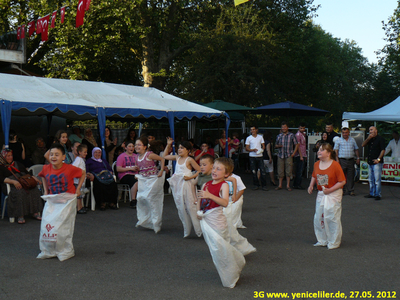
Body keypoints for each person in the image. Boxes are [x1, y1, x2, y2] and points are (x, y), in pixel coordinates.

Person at [196, 157, 245, 288]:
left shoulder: (223, 185)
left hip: (217, 222)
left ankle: (231, 271)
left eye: (219, 169)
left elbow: (224, 202)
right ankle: (227, 271)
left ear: (226, 174)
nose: (214, 171)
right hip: (207, 219)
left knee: (221, 249)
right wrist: (198, 211)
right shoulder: (206, 184)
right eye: (214, 168)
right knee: (216, 250)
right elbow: (200, 198)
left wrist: (210, 196)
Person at [308, 143, 346, 250]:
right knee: (319, 217)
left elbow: (342, 181)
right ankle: (322, 240)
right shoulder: (316, 164)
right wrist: (311, 185)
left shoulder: (335, 165)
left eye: (322, 150)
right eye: (319, 150)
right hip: (322, 193)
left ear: (328, 153)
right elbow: (314, 175)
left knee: (331, 217)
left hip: (333, 193)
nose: (319, 152)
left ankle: (334, 241)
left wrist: (330, 190)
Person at [164, 137, 201, 238]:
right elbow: (165, 156)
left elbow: (199, 170)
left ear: (188, 151)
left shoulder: (189, 160)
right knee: (180, 207)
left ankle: (199, 230)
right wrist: (168, 145)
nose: (179, 149)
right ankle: (186, 229)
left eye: (182, 148)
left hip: (187, 185)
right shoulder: (177, 157)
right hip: (177, 185)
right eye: (179, 148)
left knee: (190, 207)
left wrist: (190, 177)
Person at [0, 149, 43, 224]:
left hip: (23, 182)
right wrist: (13, 182)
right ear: (3, 157)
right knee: (20, 192)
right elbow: (2, 179)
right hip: (11, 186)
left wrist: (35, 179)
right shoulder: (1, 167)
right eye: (8, 156)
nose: (10, 157)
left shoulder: (17, 163)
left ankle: (35, 212)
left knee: (34, 190)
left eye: (11, 155)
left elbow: (27, 173)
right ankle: (20, 215)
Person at [134, 136, 165, 233]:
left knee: (151, 199)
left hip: (153, 179)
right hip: (144, 179)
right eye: (136, 145)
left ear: (144, 146)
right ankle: (144, 220)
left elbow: (162, 159)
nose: (137, 146)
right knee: (140, 198)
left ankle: (156, 223)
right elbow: (139, 167)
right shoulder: (137, 157)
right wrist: (137, 170)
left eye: (139, 145)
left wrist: (161, 170)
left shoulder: (149, 155)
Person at [334, 127, 360, 196]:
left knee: (351, 176)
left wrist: (358, 158)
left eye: (346, 132)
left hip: (351, 160)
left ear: (349, 133)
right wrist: (337, 160)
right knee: (341, 176)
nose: (344, 134)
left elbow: (356, 149)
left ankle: (351, 190)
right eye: (343, 133)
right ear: (341, 133)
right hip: (342, 160)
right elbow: (336, 150)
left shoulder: (352, 140)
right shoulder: (338, 140)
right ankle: (342, 190)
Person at [362, 126, 385, 200]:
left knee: (377, 179)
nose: (370, 131)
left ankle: (378, 194)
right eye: (369, 130)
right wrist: (368, 138)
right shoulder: (370, 139)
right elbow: (363, 145)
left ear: (376, 131)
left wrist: (378, 159)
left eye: (371, 130)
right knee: (371, 179)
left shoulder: (380, 139)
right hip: (370, 161)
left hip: (377, 162)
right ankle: (372, 193)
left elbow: (383, 150)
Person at [275, 122, 298, 191]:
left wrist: (293, 153)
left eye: (285, 127)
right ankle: (280, 185)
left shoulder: (291, 135)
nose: (283, 128)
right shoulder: (279, 136)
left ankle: (288, 185)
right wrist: (278, 146)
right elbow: (275, 145)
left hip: (288, 154)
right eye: (282, 127)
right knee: (280, 170)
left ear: (287, 128)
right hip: (280, 154)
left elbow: (296, 144)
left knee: (289, 170)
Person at [116, 140, 138, 209]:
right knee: (134, 180)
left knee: (142, 179)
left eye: (133, 146)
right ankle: (133, 200)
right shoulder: (121, 156)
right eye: (129, 146)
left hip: (135, 174)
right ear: (125, 148)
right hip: (125, 175)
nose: (131, 148)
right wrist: (130, 168)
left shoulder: (136, 156)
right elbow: (118, 169)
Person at [245, 126, 268, 191]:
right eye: (251, 130)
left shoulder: (260, 137)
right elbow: (246, 148)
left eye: (253, 129)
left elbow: (263, 145)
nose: (252, 131)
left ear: (256, 130)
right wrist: (252, 150)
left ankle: (264, 185)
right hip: (252, 156)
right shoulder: (248, 138)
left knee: (262, 171)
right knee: (253, 171)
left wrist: (262, 148)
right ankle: (256, 184)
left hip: (259, 156)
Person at [72, 144, 88, 214]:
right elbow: (73, 168)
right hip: (78, 180)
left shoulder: (81, 159)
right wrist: (78, 175)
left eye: (86, 152)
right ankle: (79, 208)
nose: (86, 153)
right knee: (79, 194)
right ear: (79, 152)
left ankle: (81, 206)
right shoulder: (78, 160)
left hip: (81, 180)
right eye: (84, 152)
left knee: (81, 194)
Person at [293, 123, 307, 189]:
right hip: (299, 154)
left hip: (303, 154)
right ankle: (297, 184)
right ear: (298, 128)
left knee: (301, 169)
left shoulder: (303, 134)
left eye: (303, 128)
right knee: (299, 170)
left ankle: (297, 183)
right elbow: (298, 146)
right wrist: (301, 156)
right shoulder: (298, 135)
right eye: (301, 128)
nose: (302, 129)